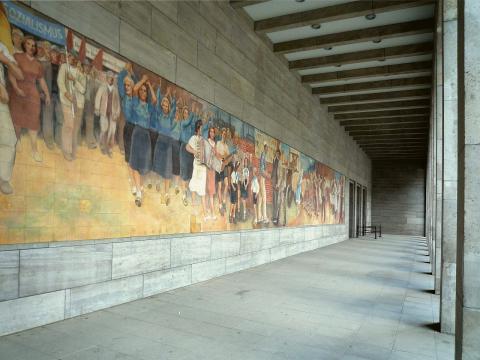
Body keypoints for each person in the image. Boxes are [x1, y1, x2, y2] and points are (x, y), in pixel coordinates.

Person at [8, 36, 50, 162]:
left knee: (33, 123)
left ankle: (34, 150)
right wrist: (16, 89)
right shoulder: (17, 57)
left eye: (33, 45)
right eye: (28, 44)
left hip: (32, 94)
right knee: (17, 120)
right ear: (24, 45)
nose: (31, 47)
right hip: (18, 92)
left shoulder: (38, 64)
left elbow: (41, 81)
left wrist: (47, 94)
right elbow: (11, 74)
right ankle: (17, 140)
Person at [129, 74, 157, 206]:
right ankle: (139, 193)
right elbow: (134, 89)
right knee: (134, 162)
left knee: (143, 163)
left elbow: (155, 99)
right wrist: (143, 80)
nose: (143, 92)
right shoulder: (135, 101)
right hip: (137, 132)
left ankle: (137, 185)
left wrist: (149, 85)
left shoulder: (148, 107)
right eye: (142, 90)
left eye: (145, 91)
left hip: (145, 135)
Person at [0, 41, 23, 194]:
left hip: (1, 101)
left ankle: (3, 178)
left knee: (9, 139)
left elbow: (19, 75)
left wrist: (5, 59)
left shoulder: (1, 46)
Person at [151, 85, 177, 205]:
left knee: (167, 167)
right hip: (160, 140)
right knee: (158, 163)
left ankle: (166, 193)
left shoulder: (170, 117)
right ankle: (157, 182)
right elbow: (156, 103)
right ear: (162, 106)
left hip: (168, 143)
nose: (165, 107)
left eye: (167, 105)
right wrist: (160, 91)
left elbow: (175, 107)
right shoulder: (159, 114)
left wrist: (170, 95)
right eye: (164, 105)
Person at [57, 49, 80, 161]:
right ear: (68, 56)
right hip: (65, 100)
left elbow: (79, 86)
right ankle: (66, 150)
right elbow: (60, 82)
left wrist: (74, 80)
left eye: (74, 57)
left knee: (71, 126)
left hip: (74, 102)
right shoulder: (64, 67)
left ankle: (68, 148)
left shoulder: (75, 70)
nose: (72, 59)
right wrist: (66, 94)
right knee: (69, 125)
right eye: (70, 56)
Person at [117, 64, 136, 195]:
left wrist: (131, 72)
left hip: (136, 129)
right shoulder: (125, 98)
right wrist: (125, 70)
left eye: (129, 85)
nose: (127, 87)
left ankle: (136, 181)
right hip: (129, 127)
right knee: (130, 157)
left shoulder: (135, 99)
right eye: (126, 85)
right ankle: (133, 182)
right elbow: (120, 81)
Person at [95, 70, 120, 157]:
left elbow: (118, 103)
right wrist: (97, 109)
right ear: (106, 78)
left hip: (112, 114)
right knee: (104, 129)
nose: (111, 80)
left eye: (112, 78)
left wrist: (117, 113)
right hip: (104, 112)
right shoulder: (102, 87)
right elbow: (98, 98)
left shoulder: (115, 90)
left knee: (112, 131)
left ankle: (110, 149)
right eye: (109, 78)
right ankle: (102, 146)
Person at [186, 119, 207, 220]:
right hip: (197, 165)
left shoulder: (203, 140)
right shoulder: (194, 138)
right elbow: (187, 147)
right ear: (198, 127)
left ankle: (204, 212)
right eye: (202, 127)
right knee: (194, 184)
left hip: (203, 167)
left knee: (202, 187)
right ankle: (193, 205)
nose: (202, 129)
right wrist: (194, 151)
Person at [37, 40, 55, 149]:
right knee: (36, 114)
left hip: (46, 93)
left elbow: (48, 80)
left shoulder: (47, 64)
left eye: (42, 48)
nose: (40, 50)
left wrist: (46, 94)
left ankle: (48, 139)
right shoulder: (34, 61)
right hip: (34, 92)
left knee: (48, 114)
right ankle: (38, 133)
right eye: (38, 48)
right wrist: (37, 92)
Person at [178, 101, 196, 206]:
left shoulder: (190, 126)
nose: (186, 114)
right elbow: (189, 121)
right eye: (184, 113)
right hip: (184, 148)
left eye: (187, 113)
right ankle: (184, 194)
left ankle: (185, 190)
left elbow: (194, 125)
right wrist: (193, 111)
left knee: (189, 172)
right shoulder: (183, 123)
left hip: (191, 151)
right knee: (184, 172)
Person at [49, 45, 64, 148]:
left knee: (60, 119)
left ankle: (58, 140)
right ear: (50, 53)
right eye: (53, 52)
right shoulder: (46, 64)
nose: (55, 54)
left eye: (56, 53)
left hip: (59, 96)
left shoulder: (61, 68)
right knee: (49, 118)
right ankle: (49, 140)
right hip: (49, 94)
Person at [82, 59, 97, 149]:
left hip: (89, 104)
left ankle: (90, 141)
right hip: (79, 102)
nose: (87, 68)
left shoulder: (92, 80)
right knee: (78, 122)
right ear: (83, 67)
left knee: (89, 122)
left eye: (88, 67)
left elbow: (94, 94)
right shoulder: (79, 76)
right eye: (85, 66)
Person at [215, 128, 230, 215]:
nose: (224, 135)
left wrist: (225, 159)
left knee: (227, 184)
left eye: (225, 135)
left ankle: (224, 201)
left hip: (224, 167)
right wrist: (223, 157)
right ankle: (220, 206)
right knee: (220, 187)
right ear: (221, 134)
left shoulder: (226, 146)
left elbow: (227, 158)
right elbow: (216, 154)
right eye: (223, 134)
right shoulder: (218, 143)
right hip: (218, 167)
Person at [205, 126, 217, 220]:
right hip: (207, 167)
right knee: (207, 188)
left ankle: (211, 210)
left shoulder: (215, 143)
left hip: (212, 168)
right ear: (209, 133)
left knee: (211, 189)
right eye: (211, 132)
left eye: (213, 132)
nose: (212, 133)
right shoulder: (207, 141)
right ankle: (210, 211)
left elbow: (216, 156)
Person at [258, 142, 269, 224]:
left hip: (262, 179)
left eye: (267, 148)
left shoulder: (264, 155)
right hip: (262, 178)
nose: (267, 149)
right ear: (265, 148)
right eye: (266, 148)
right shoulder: (263, 155)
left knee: (261, 198)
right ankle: (264, 217)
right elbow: (262, 170)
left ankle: (259, 217)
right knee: (264, 198)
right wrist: (268, 175)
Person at [271, 148, 280, 224]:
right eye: (276, 153)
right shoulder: (274, 160)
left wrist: (277, 183)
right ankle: (274, 217)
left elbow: (278, 173)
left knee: (276, 200)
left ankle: (275, 218)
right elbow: (273, 171)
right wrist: (272, 180)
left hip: (277, 183)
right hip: (273, 183)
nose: (276, 155)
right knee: (274, 200)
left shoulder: (279, 162)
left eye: (278, 154)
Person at [240, 156, 250, 221]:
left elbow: (248, 179)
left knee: (244, 200)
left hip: (245, 184)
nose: (245, 162)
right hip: (242, 184)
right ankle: (243, 214)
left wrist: (246, 185)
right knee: (242, 200)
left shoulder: (247, 170)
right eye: (244, 161)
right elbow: (242, 177)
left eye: (246, 161)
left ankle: (244, 214)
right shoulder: (243, 169)